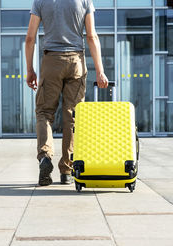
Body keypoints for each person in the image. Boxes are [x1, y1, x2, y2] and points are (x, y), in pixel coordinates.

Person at [25, 0, 108, 186]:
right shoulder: (84, 1)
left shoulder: (40, 1)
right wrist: (100, 71)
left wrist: (30, 69)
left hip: (51, 61)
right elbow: (91, 36)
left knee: (45, 113)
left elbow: (30, 38)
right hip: (76, 61)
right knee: (72, 116)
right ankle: (66, 170)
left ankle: (45, 156)